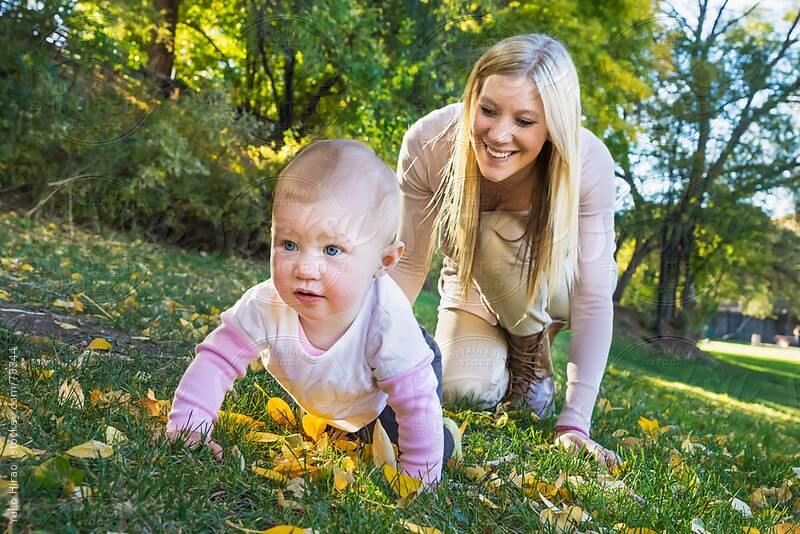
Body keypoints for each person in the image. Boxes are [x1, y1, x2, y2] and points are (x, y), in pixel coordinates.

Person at [160, 139, 456, 484]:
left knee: (396, 439)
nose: (305, 268)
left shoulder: (388, 324)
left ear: (383, 262)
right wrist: (188, 428)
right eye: (289, 244)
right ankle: (344, 423)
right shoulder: (265, 305)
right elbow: (216, 360)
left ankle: (442, 434)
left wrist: (418, 478)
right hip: (338, 390)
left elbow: (415, 400)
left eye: (332, 249)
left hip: (393, 383)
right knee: (349, 430)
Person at [391, 34, 621, 466]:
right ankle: (517, 347)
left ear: (554, 123)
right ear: (471, 97)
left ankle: (532, 342)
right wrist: (365, 354)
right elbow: (407, 263)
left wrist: (574, 422)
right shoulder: (430, 142)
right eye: (489, 110)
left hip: (556, 283)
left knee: (489, 231)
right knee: (464, 392)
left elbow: (592, 296)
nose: (498, 134)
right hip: (471, 283)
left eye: (525, 121)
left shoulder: (588, 162)